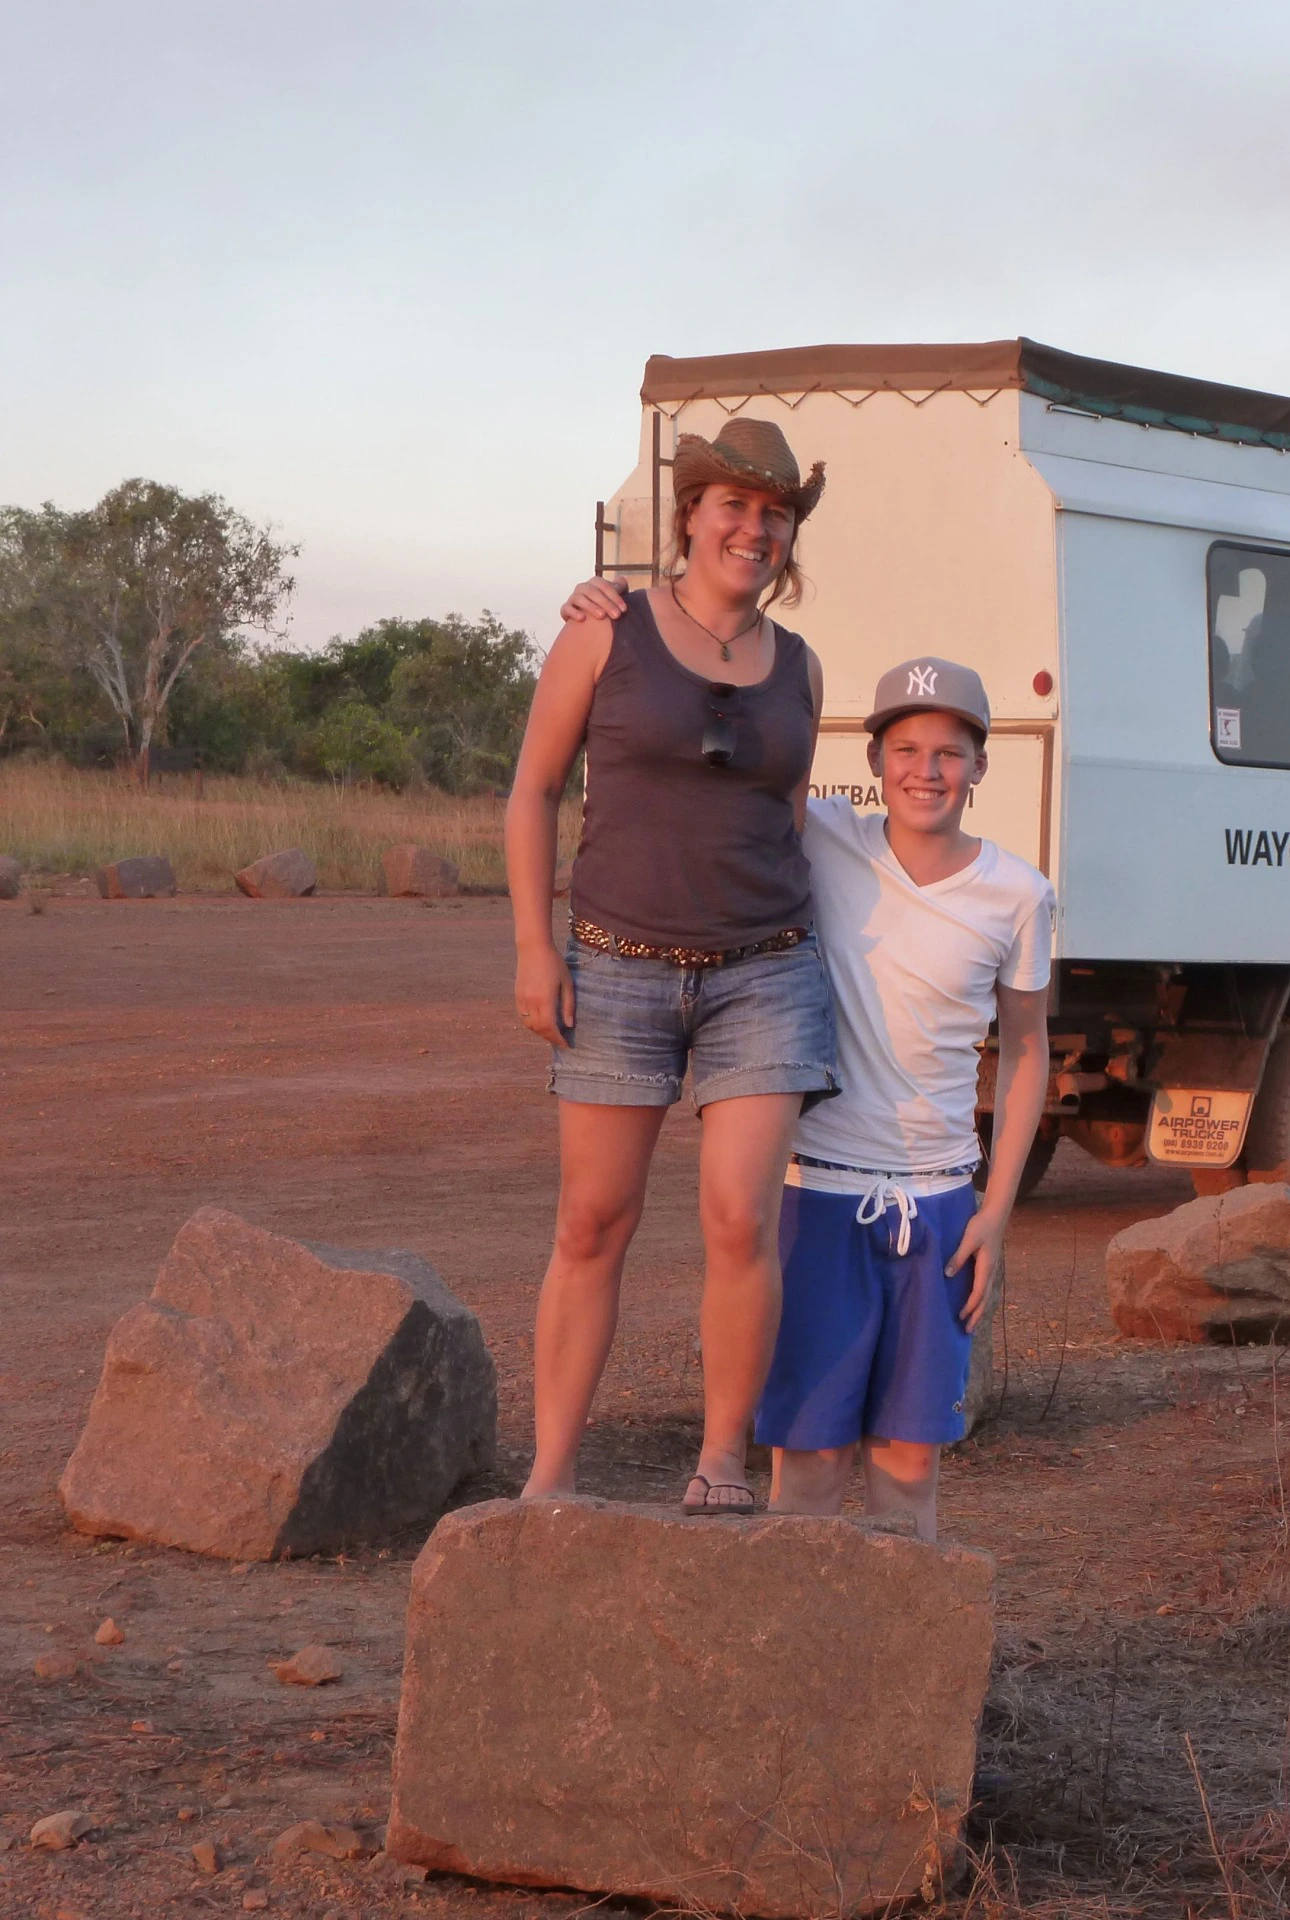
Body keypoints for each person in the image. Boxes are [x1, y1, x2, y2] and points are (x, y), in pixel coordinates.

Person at [508, 416, 836, 1517]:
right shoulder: (607, 630)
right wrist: (530, 947)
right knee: (591, 1221)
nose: (753, 528)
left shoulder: (799, 665)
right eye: (733, 505)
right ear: (690, 515)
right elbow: (532, 792)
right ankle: (552, 1476)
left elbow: (788, 815)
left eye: (774, 514)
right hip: (616, 967)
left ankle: (722, 1467)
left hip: (766, 970)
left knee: (741, 1220)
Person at [756, 657, 1051, 1541]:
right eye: (907, 748)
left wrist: (995, 1213)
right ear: (875, 757)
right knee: (806, 1463)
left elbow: (1028, 1049)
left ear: (981, 767)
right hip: (818, 1195)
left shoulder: (1018, 893)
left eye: (951, 753)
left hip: (938, 1207)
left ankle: (898, 1674)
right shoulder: (821, 839)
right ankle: (795, 1669)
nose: (927, 770)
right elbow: (736, 772)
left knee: (909, 1464)